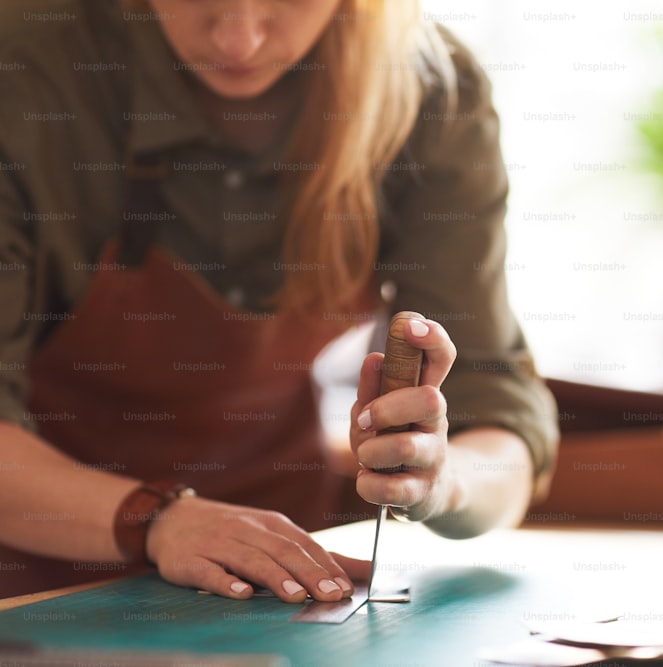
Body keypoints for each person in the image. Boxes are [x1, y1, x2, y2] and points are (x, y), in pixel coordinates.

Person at [0, 0, 558, 601]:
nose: (239, 40)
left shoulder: (431, 88)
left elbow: (499, 427)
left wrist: (441, 478)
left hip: (286, 579)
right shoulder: (26, 65)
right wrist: (159, 521)